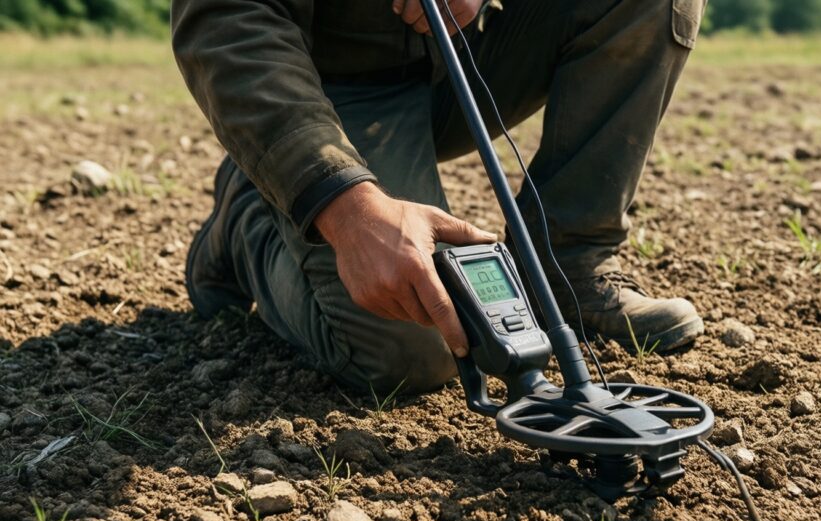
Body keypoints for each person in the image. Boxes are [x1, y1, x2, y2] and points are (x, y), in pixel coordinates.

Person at [171, 0, 708, 395]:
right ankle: (252, 209)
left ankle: (567, 266)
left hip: (467, 51)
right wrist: (342, 204)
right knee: (418, 343)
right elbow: (226, 22)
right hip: (323, 87)